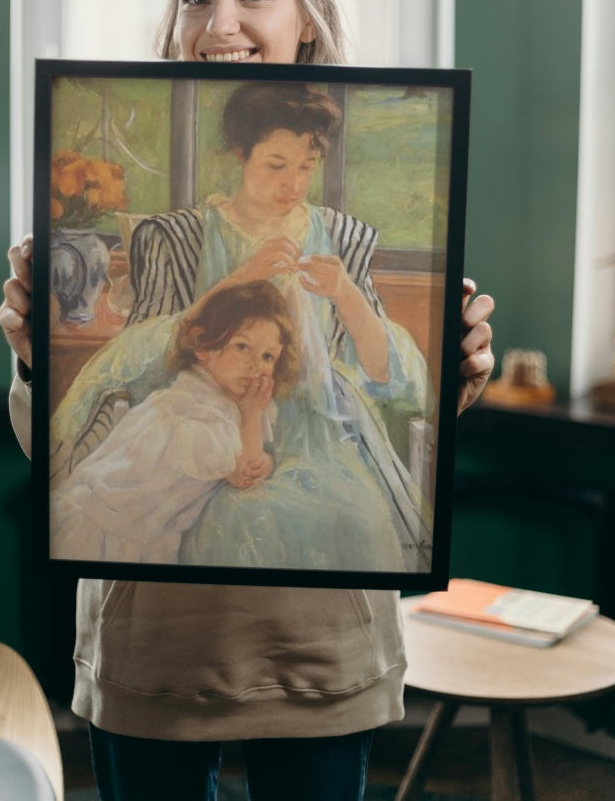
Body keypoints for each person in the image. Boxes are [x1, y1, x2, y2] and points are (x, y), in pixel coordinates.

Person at [0, 0, 495, 801]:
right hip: (157, 633)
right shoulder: (171, 239)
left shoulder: (345, 240)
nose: (218, 21)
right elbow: (98, 421)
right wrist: (35, 357)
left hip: (316, 632)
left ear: (306, 17)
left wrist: (453, 364)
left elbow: (395, 395)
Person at [53, 80, 433, 574]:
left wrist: (346, 295)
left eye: (306, 167)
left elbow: (387, 375)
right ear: (241, 154)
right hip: (214, 435)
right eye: (276, 165)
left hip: (317, 436)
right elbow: (144, 361)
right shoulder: (183, 237)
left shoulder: (340, 237)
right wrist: (235, 281)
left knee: (352, 521)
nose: (292, 185)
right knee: (239, 526)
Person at [50, 280, 297, 564]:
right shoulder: (193, 407)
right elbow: (242, 474)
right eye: (242, 347)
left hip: (134, 531)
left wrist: (262, 455)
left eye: (268, 356)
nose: (255, 365)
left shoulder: (228, 400)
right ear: (203, 346)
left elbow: (249, 459)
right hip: (103, 531)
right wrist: (252, 418)